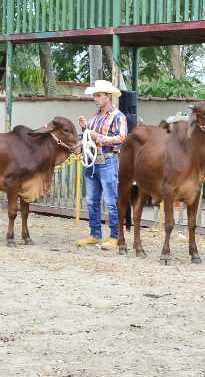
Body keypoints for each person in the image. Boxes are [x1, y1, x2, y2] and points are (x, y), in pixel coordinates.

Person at [76, 79, 128, 251]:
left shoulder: (118, 116)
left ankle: (115, 237)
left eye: (98, 95)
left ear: (108, 96)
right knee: (92, 200)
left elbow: (121, 138)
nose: (95, 98)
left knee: (111, 200)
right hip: (92, 162)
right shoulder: (95, 116)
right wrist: (85, 128)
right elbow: (89, 136)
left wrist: (98, 137)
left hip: (107, 161)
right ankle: (95, 235)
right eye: (95, 95)